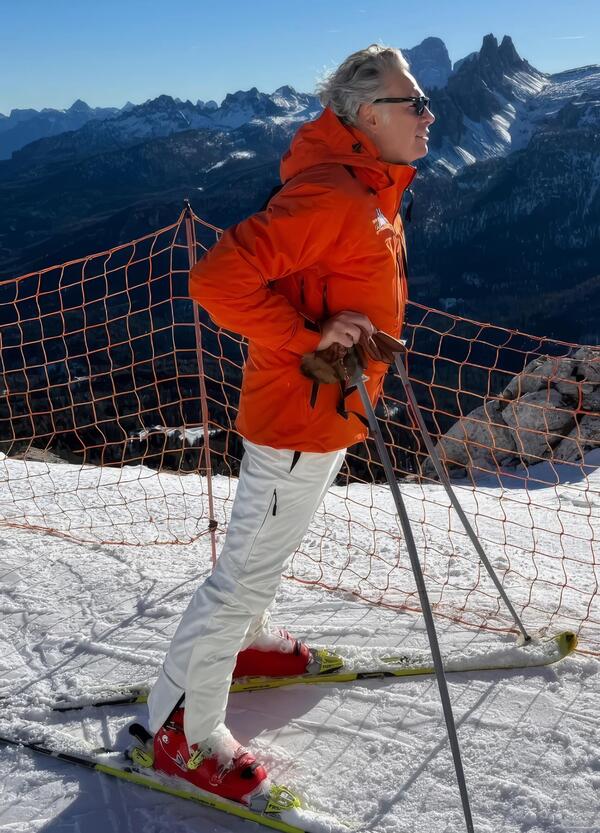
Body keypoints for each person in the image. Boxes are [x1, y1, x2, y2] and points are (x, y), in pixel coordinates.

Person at [146, 43, 435, 804]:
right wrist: (311, 340)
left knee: (263, 558)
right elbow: (215, 280)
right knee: (241, 575)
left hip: (325, 410)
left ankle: (249, 645)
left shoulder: (367, 186)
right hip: (299, 414)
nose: (429, 114)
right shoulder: (337, 195)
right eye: (416, 102)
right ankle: (180, 731)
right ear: (369, 116)